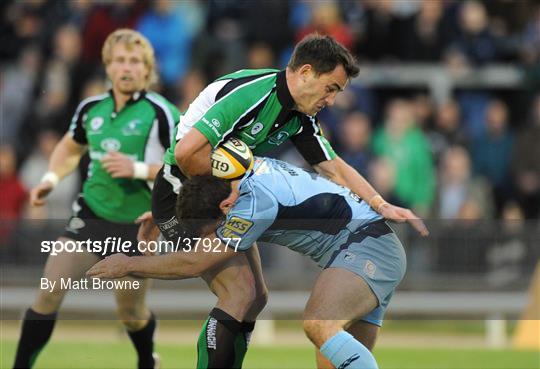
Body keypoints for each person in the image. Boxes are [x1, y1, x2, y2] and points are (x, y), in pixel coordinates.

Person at [146, 33, 426, 369]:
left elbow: (333, 167)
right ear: (305, 72)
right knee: (241, 294)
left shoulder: (298, 116)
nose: (332, 100)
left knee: (255, 297)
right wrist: (232, 182)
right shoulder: (254, 94)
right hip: (185, 197)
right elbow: (186, 155)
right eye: (331, 88)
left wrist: (380, 204)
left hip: (222, 199)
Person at [88, 157, 428, 369]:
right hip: (367, 248)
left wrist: (126, 264)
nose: (212, 239)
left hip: (367, 247)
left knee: (317, 324)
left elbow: (194, 262)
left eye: (211, 232)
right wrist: (168, 219)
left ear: (223, 210)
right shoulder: (238, 176)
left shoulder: (251, 204)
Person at [13, 29, 179, 369]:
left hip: (138, 226)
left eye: (135, 61)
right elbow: (69, 147)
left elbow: (185, 166)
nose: (127, 67)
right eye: (120, 60)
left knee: (130, 313)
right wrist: (49, 177)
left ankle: (147, 358)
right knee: (48, 291)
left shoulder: (162, 113)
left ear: (147, 70)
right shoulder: (91, 108)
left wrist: (135, 168)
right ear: (108, 67)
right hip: (90, 216)